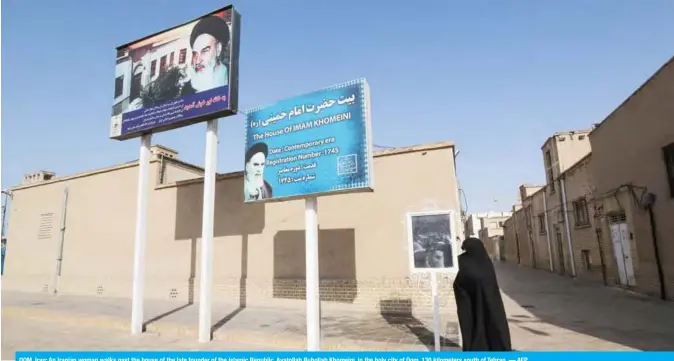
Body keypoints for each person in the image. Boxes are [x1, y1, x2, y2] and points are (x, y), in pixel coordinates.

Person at [453, 237, 512, 351]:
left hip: (471, 304)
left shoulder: (463, 261)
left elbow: (460, 282)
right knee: (493, 323)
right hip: (490, 302)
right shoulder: (486, 261)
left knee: (474, 324)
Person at [182, 15, 230, 95]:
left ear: (218, 49)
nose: (197, 61)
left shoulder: (231, 76)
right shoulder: (187, 89)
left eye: (204, 51)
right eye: (195, 54)